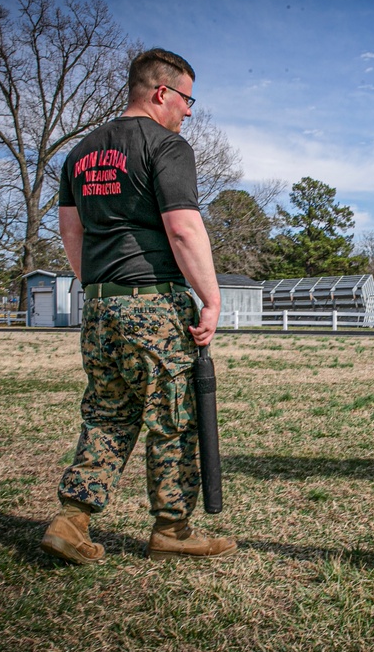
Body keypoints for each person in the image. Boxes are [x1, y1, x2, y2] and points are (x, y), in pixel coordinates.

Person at [40, 48, 237, 564]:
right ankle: (172, 529)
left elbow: (69, 228)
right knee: (174, 416)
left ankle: (71, 518)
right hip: (153, 302)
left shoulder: (80, 152)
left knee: (108, 412)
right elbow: (182, 226)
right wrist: (212, 299)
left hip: (100, 306)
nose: (189, 111)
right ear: (161, 92)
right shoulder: (166, 145)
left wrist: (99, 287)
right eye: (187, 99)